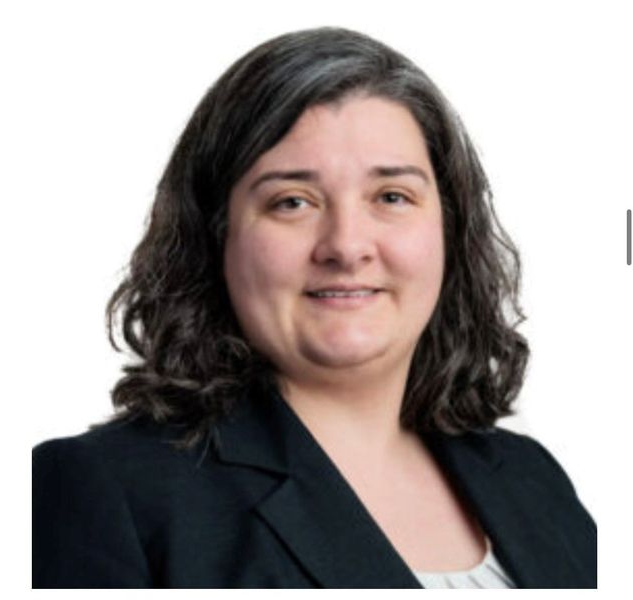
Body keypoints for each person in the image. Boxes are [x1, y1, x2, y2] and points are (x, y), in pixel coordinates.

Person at [32, 26, 597, 589]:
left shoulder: (533, 479)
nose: (347, 246)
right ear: (214, 237)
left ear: (450, 230)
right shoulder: (102, 490)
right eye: (292, 202)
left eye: (392, 197)